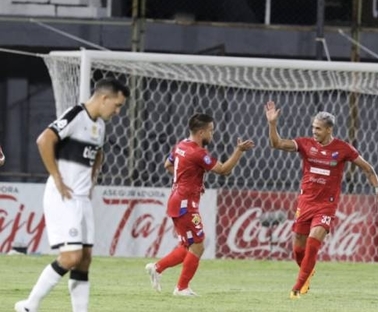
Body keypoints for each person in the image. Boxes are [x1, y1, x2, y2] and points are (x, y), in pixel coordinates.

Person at [15, 78, 130, 312]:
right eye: (117, 105)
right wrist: (57, 177)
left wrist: (93, 177)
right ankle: (29, 305)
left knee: (85, 258)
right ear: (104, 98)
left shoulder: (100, 125)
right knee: (71, 258)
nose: (118, 111)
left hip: (81, 198)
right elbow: (44, 139)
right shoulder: (77, 114)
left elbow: (98, 153)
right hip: (63, 196)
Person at [264, 101, 378, 299]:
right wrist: (272, 124)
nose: (314, 131)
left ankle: (297, 288)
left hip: (326, 205)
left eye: (318, 128)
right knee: (298, 249)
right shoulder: (305, 144)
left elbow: (367, 168)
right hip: (305, 203)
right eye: (313, 127)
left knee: (313, 243)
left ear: (329, 129)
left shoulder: (343, 149)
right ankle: (307, 272)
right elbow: (276, 144)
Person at [145, 113, 254, 297]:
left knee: (187, 246)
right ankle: (181, 288)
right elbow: (224, 170)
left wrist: (184, 180)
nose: (213, 134)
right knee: (198, 245)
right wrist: (239, 151)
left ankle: (157, 268)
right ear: (201, 132)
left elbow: (167, 165)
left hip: (177, 199)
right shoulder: (198, 153)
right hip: (185, 204)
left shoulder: (181, 145)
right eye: (211, 131)